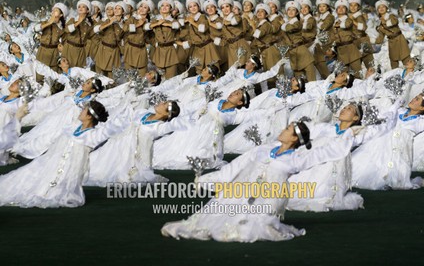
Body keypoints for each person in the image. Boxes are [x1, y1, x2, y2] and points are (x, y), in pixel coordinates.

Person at [161, 121, 354, 242]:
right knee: (214, 218)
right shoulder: (265, 149)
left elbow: (325, 153)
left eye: (287, 129)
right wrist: (212, 180)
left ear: (294, 138)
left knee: (246, 228)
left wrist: (350, 136)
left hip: (269, 199)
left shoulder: (296, 158)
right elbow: (239, 166)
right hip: (245, 192)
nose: (283, 130)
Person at [0, 100, 130, 208]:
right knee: (21, 180)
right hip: (49, 165)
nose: (81, 111)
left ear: (89, 116)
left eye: (84, 110)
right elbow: (50, 138)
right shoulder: (73, 127)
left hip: (66, 175)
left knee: (44, 192)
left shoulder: (92, 136)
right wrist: (22, 147)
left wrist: (124, 116)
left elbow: (109, 129)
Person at [374, 0, 410, 69]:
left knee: (406, 60)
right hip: (391, 42)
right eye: (379, 7)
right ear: (377, 10)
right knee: (393, 63)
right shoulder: (380, 24)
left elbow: (394, 22)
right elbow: (380, 38)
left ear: (387, 8)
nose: (381, 8)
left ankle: (411, 76)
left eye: (383, 7)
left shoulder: (391, 16)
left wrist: (384, 22)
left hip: (400, 40)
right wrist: (370, 40)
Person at [34, 2, 68, 70]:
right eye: (53, 10)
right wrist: (49, 23)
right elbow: (36, 28)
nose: (53, 12)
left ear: (61, 14)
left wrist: (61, 46)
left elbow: (64, 40)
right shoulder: (46, 22)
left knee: (52, 72)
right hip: (42, 51)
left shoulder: (62, 27)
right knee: (40, 72)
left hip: (54, 53)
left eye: (56, 10)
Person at [61, 0, 92, 68]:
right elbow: (67, 30)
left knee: (79, 71)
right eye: (79, 7)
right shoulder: (72, 19)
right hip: (70, 49)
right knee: (67, 69)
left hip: (81, 51)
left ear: (87, 10)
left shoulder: (88, 24)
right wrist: (78, 22)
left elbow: (90, 37)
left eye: (83, 7)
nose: (81, 8)